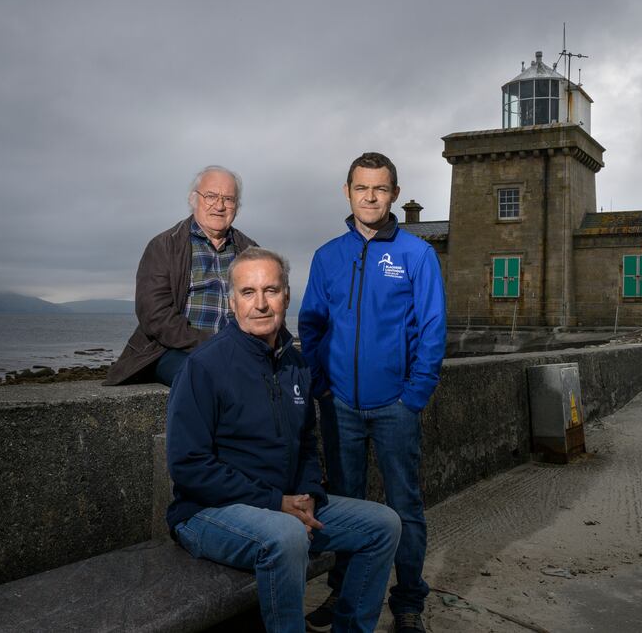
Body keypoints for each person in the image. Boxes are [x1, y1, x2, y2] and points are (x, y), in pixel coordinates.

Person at [166, 247, 402, 633]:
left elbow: (306, 442)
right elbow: (188, 466)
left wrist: (308, 492)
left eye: (271, 290)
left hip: (285, 504)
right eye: (248, 292)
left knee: (384, 524)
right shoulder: (204, 366)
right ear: (232, 301)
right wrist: (274, 503)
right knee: (288, 535)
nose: (260, 304)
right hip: (205, 513)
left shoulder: (295, 364)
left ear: (287, 296)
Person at [299, 153, 447, 632]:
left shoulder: (416, 254)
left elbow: (432, 328)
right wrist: (321, 386)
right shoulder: (327, 257)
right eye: (361, 187)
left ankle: (408, 603)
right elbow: (311, 325)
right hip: (338, 404)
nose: (370, 196)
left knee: (404, 505)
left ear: (394, 195)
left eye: (380, 189)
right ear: (347, 191)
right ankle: (344, 592)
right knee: (343, 503)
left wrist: (414, 395)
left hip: (395, 406)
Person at [104, 165, 257, 386]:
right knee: (207, 379)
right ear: (193, 199)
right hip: (173, 351)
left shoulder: (250, 252)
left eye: (228, 199)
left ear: (237, 207)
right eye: (211, 196)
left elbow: (267, 305)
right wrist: (215, 344)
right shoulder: (164, 246)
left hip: (239, 350)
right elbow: (154, 316)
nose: (220, 206)